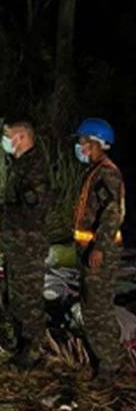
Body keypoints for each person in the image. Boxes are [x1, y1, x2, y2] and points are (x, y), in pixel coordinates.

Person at [0, 121, 50, 368]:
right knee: (17, 296)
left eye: (8, 135)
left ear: (21, 137)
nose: (5, 140)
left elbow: (33, 206)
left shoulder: (34, 167)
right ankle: (23, 344)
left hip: (28, 244)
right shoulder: (21, 164)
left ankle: (34, 349)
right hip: (17, 243)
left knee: (29, 298)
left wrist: (1, 209)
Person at [72, 118, 126, 385]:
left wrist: (99, 248)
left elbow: (112, 214)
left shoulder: (107, 173)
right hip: (90, 249)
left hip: (99, 252)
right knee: (91, 306)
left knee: (98, 310)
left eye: (82, 141)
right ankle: (104, 360)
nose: (79, 146)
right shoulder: (95, 171)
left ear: (95, 143)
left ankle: (110, 365)